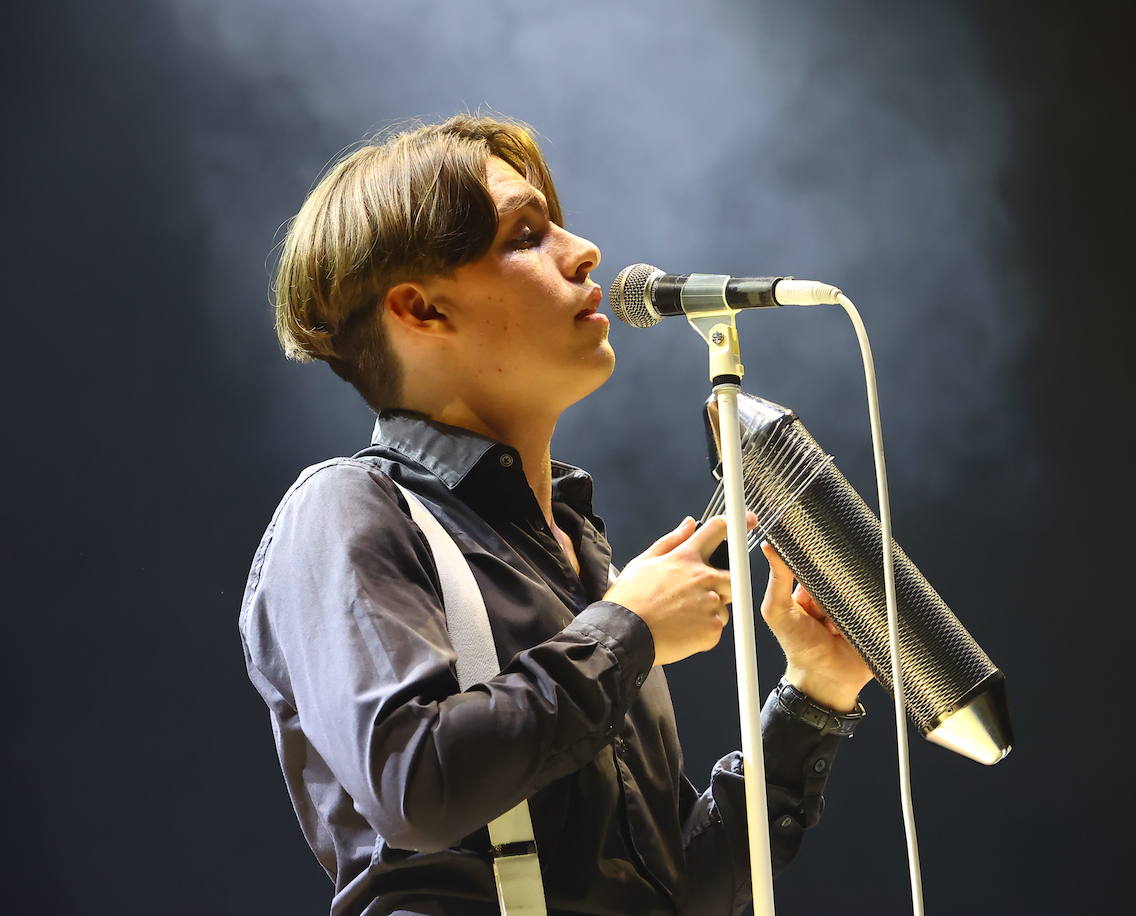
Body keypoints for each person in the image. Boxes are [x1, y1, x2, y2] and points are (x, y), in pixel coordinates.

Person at [239, 113, 874, 916]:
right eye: (527, 234)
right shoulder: (347, 509)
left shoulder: (577, 552)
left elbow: (682, 892)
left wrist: (813, 697)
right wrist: (628, 629)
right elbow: (416, 789)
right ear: (420, 310)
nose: (583, 252)